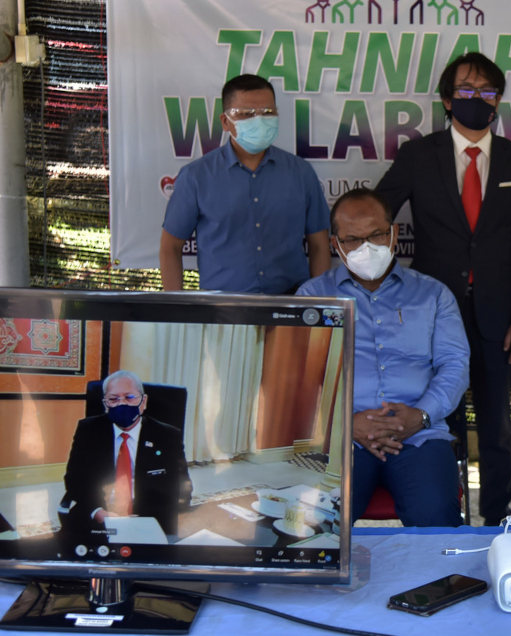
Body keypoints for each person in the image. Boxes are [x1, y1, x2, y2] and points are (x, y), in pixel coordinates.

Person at [376, 52, 511, 526]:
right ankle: (445, 515)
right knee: (439, 419)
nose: (477, 99)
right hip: (430, 311)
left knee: (495, 424)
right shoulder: (418, 156)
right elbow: (375, 215)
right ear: (447, 100)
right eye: (466, 90)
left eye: (487, 91)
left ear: (499, 101)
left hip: (498, 314)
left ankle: (497, 518)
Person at [297, 187, 470, 527]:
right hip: (337, 438)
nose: (367, 246)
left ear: (394, 233)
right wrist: (346, 423)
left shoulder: (434, 294)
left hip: (419, 435)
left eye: (376, 234)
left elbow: (455, 365)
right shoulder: (313, 297)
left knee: (436, 515)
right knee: (312, 522)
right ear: (335, 245)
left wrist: (421, 415)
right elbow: (299, 378)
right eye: (352, 239)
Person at [160, 74, 331, 294]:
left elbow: (319, 245)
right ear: (225, 122)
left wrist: (317, 304)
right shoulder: (196, 177)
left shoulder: (301, 172)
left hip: (290, 304)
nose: (259, 120)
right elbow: (170, 248)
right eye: (246, 114)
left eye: (267, 112)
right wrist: (175, 307)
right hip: (222, 307)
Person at [61, 370, 192, 536]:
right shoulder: (88, 430)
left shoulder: (167, 435)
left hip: (149, 520)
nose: (121, 404)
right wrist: (98, 512)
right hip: (100, 517)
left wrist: (151, 522)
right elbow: (75, 480)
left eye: (129, 397)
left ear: (143, 401)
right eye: (113, 399)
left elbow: (181, 488)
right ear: (105, 403)